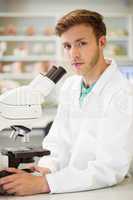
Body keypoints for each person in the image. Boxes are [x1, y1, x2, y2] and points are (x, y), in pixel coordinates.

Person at [0, 9, 133, 196]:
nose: (73, 54)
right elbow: (58, 142)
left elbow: (110, 169)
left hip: (102, 192)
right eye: (67, 46)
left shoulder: (123, 94)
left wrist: (44, 184)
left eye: (82, 44)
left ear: (101, 42)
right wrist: (41, 171)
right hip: (68, 186)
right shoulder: (71, 85)